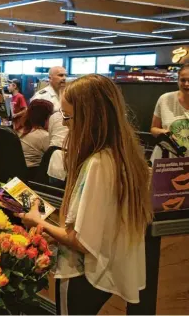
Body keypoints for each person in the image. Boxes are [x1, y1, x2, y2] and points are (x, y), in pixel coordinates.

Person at [17, 74, 152, 315]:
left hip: (83, 276)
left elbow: (81, 241)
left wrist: (38, 222)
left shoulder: (99, 164)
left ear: (89, 118)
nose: (66, 125)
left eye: (68, 117)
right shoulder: (124, 157)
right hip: (105, 275)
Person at [150, 63, 189, 160]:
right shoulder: (165, 99)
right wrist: (164, 132)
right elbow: (153, 128)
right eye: (183, 80)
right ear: (178, 81)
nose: (186, 84)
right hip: (167, 159)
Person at [17, 99, 53, 178]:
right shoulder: (43, 136)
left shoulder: (19, 130)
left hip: (18, 176)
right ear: (46, 117)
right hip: (34, 176)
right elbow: (54, 158)